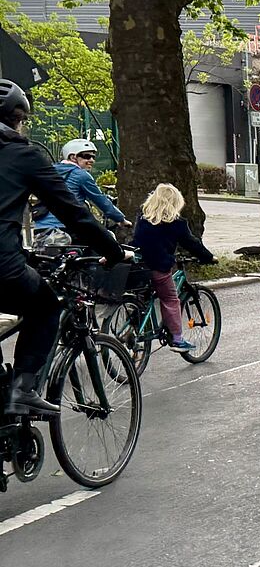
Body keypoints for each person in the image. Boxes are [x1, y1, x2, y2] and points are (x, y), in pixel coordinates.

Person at [0, 78, 128, 416]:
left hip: (12, 254)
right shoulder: (22, 154)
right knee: (45, 308)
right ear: (17, 119)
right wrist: (113, 249)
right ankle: (23, 390)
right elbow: (76, 216)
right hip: (2, 265)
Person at [131, 184, 216, 352]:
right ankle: (177, 339)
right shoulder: (176, 223)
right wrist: (208, 257)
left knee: (143, 297)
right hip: (159, 267)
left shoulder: (143, 218)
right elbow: (192, 243)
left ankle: (134, 326)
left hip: (138, 265)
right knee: (170, 299)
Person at [31, 138, 129, 244]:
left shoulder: (49, 171)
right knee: (105, 246)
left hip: (40, 230)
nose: (92, 160)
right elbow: (101, 201)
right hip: (66, 230)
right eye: (86, 156)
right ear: (73, 157)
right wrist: (121, 220)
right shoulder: (81, 175)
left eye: (93, 157)